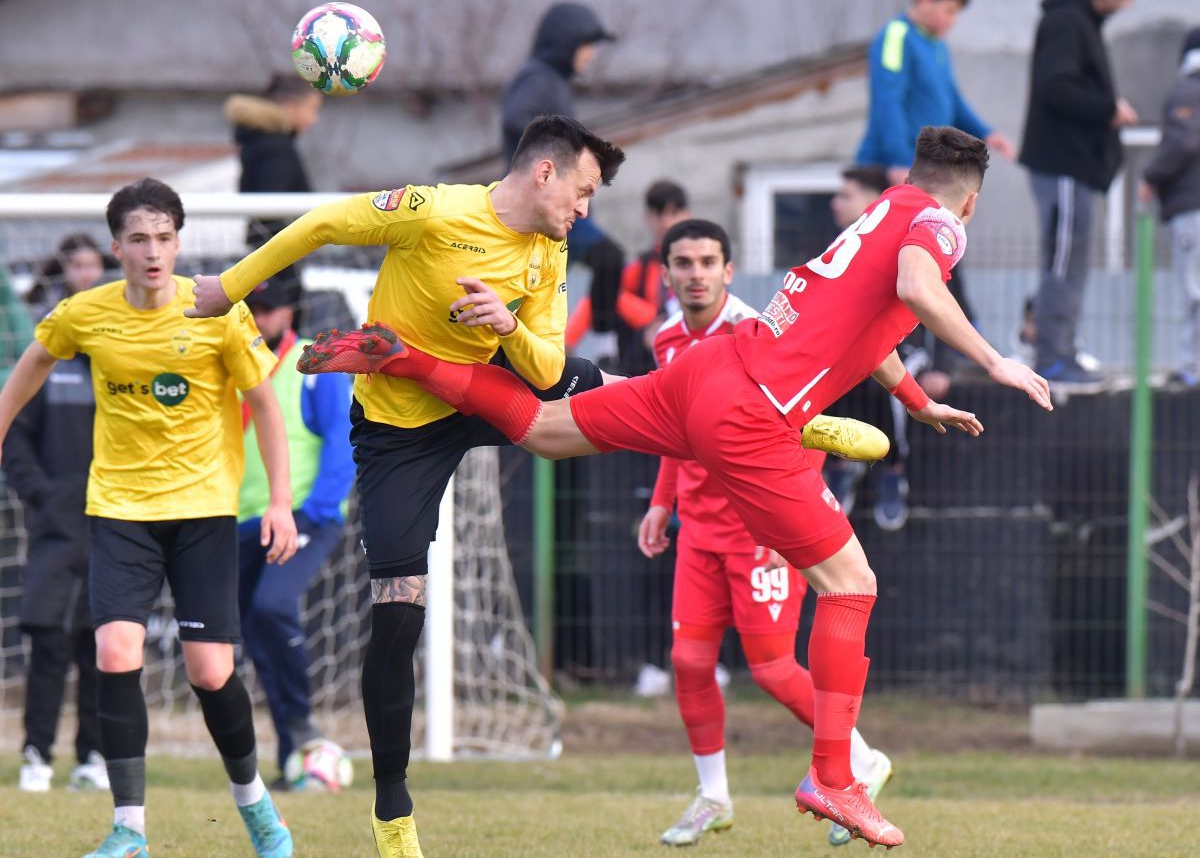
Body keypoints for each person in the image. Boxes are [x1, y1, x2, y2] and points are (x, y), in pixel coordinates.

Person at [287, 126, 1053, 849]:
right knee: (851, 584)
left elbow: (872, 319)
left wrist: (919, 401)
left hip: (708, 370)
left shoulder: (888, 209)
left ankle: (405, 359)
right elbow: (920, 286)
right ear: (971, 201)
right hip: (752, 414)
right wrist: (998, 362)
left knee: (551, 431)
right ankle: (835, 774)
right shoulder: (942, 229)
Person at [185, 115, 882, 856]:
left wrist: (501, 321)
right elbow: (323, 220)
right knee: (396, 612)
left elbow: (546, 367)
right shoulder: (433, 211)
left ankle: (793, 425)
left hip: (496, 380)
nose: (585, 211)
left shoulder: (548, 250)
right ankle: (393, 812)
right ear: (544, 172)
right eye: (582, 191)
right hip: (400, 430)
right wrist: (227, 288)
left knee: (632, 392)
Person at [0, 178, 297, 858]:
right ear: (116, 247)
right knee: (115, 652)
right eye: (138, 238)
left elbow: (267, 404)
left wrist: (278, 501)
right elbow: (36, 357)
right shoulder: (86, 312)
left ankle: (255, 806)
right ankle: (129, 829)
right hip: (120, 509)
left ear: (179, 242)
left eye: (164, 237)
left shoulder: (217, 310)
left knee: (210, 671)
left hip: (202, 513)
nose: (153, 251)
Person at [637, 218, 891, 848]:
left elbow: (806, 428)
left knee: (775, 670)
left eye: (707, 261)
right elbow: (676, 422)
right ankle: (712, 797)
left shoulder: (761, 335)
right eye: (683, 263)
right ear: (666, 273)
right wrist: (662, 503)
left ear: (729, 270)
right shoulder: (667, 338)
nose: (695, 273)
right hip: (699, 532)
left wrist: (784, 522)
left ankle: (861, 764)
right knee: (689, 661)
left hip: (759, 530)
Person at [237, 268, 356, 786]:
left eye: (272, 308)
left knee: (273, 606)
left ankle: (304, 725)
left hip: (304, 515)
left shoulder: (316, 361)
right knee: (253, 635)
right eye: (254, 309)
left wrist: (321, 508)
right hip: (237, 520)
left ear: (291, 310)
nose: (262, 318)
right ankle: (292, 755)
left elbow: (342, 436)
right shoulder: (229, 357)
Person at [4, 233, 107, 794]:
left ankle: (92, 757)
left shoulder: (121, 356)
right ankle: (36, 756)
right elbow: (16, 436)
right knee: (48, 642)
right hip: (54, 524)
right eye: (78, 265)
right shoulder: (47, 353)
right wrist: (42, 493)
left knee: (100, 643)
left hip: (110, 520)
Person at [1020, 0, 1144, 386]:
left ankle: (1060, 349)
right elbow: (1056, 88)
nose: (1127, 7)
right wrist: (1108, 109)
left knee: (1067, 260)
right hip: (1064, 166)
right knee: (1064, 261)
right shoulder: (1068, 22)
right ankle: (1053, 357)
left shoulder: (1076, 21)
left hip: (1071, 168)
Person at [825, 165, 961, 530]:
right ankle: (839, 464)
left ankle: (892, 469)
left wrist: (944, 367)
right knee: (827, 371)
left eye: (846, 196)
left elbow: (956, 311)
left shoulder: (922, 242)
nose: (835, 204)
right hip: (852, 345)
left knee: (890, 382)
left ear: (874, 202)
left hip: (907, 348)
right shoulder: (839, 244)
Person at [501, 2, 625, 366]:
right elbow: (515, 119)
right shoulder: (537, 79)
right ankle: (604, 350)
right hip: (547, 203)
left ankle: (561, 354)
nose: (588, 56)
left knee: (548, 291)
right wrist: (563, 148)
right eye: (585, 46)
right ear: (565, 43)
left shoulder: (551, 82)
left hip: (562, 205)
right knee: (607, 258)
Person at [856, 0, 1015, 185]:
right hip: (890, 168)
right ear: (925, 0)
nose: (953, 20)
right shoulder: (896, 36)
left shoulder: (937, 44)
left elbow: (952, 98)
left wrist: (985, 132)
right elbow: (888, 101)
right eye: (949, 10)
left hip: (922, 166)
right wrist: (899, 160)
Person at [566, 178, 692, 375]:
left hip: (688, 345)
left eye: (674, 214)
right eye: (660, 214)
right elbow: (598, 299)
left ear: (687, 215)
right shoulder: (641, 267)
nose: (667, 222)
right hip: (646, 360)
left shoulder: (702, 263)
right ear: (648, 217)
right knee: (605, 292)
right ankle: (564, 348)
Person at [1140, 26, 1200, 390]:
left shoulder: (1188, 90)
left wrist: (1150, 176)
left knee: (1195, 288)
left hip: (1193, 206)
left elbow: (1183, 140)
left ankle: (1191, 366)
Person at [227, 73, 325, 247]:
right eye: (312, 109)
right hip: (278, 255)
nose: (314, 119)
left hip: (269, 251)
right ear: (290, 107)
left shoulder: (260, 141)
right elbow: (270, 211)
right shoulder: (276, 148)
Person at [24, 233, 110, 319]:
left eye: (92, 265)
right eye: (77, 265)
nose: (85, 274)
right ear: (63, 268)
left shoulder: (113, 298)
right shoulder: (45, 304)